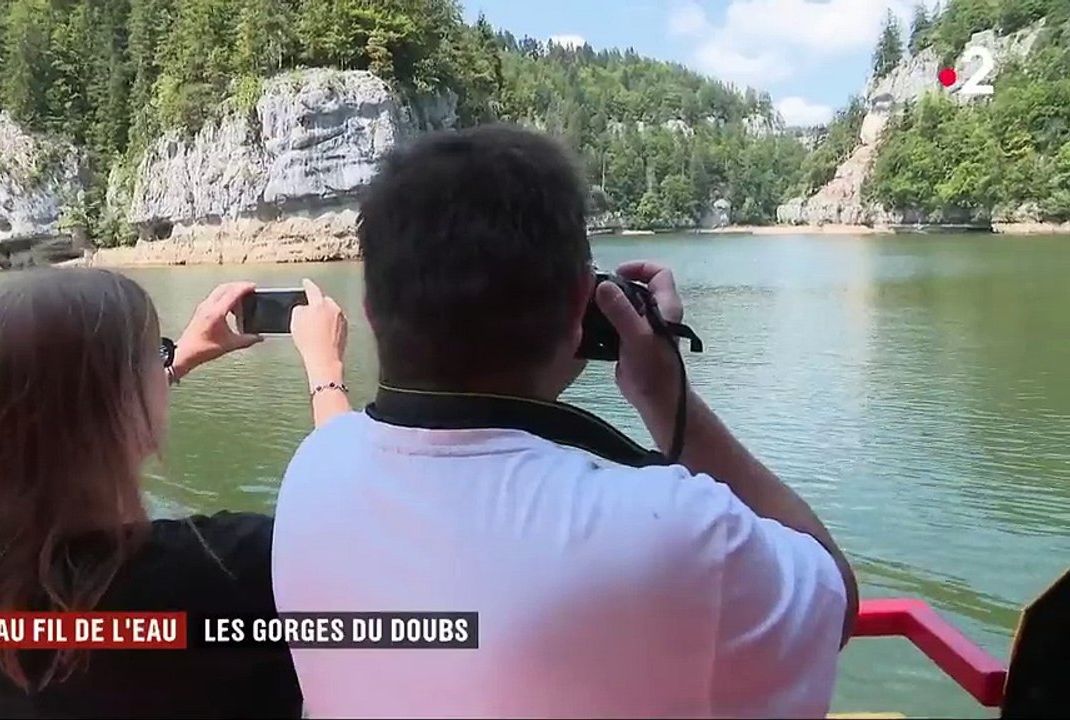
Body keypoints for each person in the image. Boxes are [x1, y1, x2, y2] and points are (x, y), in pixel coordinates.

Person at [272, 125, 860, 718]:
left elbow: (349, 429)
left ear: (374, 313)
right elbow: (834, 597)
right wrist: (663, 395)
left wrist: (325, 367)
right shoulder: (673, 530)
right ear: (584, 300)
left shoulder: (312, 473)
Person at [0, 268, 341, 719]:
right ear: (121, 405)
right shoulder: (225, 569)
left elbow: (55, 423)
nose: (164, 369)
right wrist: (326, 373)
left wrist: (178, 359)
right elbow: (358, 535)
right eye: (154, 360)